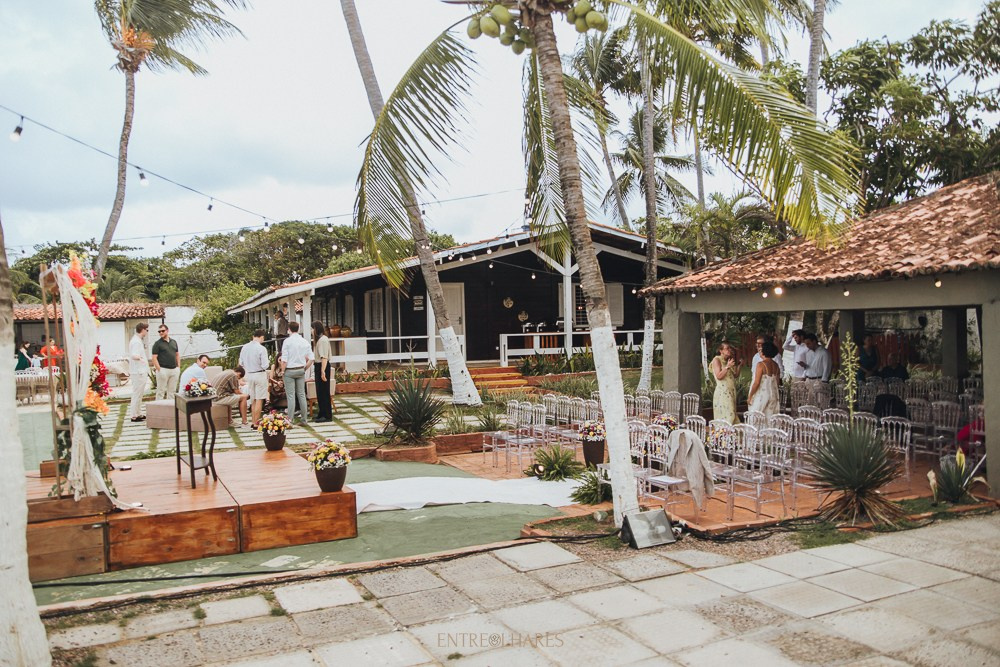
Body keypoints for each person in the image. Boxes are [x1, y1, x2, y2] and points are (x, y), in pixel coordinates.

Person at [279, 321, 312, 423]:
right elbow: (311, 358)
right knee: (301, 394)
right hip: (300, 369)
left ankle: (290, 419)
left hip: (289, 370)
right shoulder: (304, 341)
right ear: (298, 329)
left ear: (289, 329)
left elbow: (284, 359)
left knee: (291, 396)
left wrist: (282, 371)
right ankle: (304, 419)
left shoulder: (287, 342)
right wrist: (305, 368)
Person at [239, 329, 270, 424]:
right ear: (262, 337)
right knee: (259, 399)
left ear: (253, 336)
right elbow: (265, 365)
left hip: (249, 375)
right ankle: (256, 423)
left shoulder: (244, 347)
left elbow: (241, 362)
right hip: (259, 374)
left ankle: (253, 422)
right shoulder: (261, 348)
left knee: (253, 399)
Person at [710, 342, 742, 424]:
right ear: (721, 351)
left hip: (731, 392)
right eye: (727, 348)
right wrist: (727, 366)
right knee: (728, 416)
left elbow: (735, 375)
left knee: (732, 414)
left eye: (730, 348)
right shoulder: (716, 360)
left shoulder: (728, 360)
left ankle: (732, 435)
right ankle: (725, 434)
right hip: (722, 393)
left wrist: (739, 365)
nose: (729, 350)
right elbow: (719, 376)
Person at [748, 340, 781, 416]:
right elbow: (777, 383)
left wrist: (750, 396)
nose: (759, 351)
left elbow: (756, 383)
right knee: (770, 417)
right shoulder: (776, 366)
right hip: (773, 394)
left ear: (764, 351)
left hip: (762, 394)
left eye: (761, 349)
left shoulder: (761, 365)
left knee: (756, 418)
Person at [311, 320, 333, 422]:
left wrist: (322, 371)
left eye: (312, 329)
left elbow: (324, 357)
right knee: (319, 391)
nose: (311, 331)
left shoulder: (323, 340)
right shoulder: (319, 340)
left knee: (324, 391)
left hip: (322, 366)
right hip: (318, 365)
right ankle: (321, 412)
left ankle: (327, 415)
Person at [151, 324, 181, 400]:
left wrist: (178, 367)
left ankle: (170, 409)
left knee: (172, 392)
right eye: (159, 331)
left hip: (174, 370)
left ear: (167, 331)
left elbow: (177, 355)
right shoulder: (157, 344)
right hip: (163, 370)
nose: (161, 332)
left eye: (163, 331)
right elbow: (154, 358)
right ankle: (158, 410)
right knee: (161, 391)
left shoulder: (174, 342)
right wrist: (159, 370)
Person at [128, 323, 150, 422]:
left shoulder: (137, 340)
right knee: (137, 393)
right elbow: (134, 355)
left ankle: (138, 413)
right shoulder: (136, 342)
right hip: (138, 372)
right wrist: (141, 359)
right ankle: (134, 415)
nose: (147, 332)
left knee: (140, 393)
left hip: (139, 371)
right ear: (142, 330)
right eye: (147, 330)